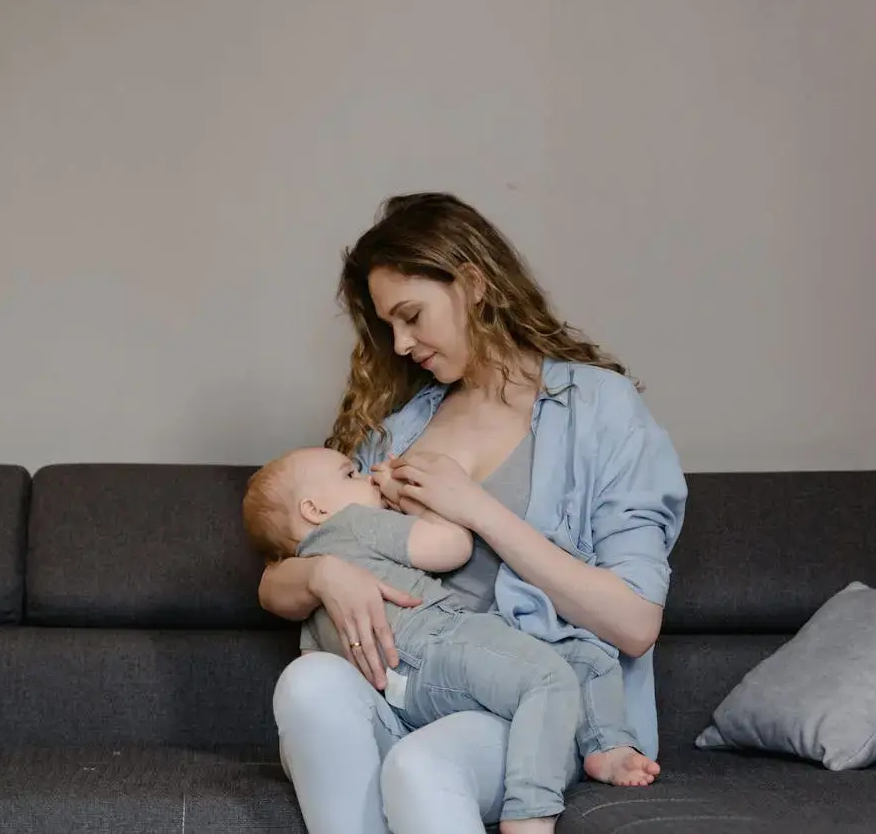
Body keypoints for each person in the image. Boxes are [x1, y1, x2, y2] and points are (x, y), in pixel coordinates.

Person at [258, 192, 687, 834]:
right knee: (308, 683)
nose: (401, 344)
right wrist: (322, 574)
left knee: (422, 766)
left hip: (530, 701)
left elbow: (635, 623)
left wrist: (478, 509)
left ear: (474, 283)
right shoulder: (401, 430)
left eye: (412, 316)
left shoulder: (599, 409)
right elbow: (277, 576)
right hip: (405, 688)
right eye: (389, 326)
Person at [243, 446, 656, 832]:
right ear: (315, 509)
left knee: (582, 656)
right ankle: (532, 810)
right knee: (554, 676)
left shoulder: (316, 591)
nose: (367, 476)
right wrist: (425, 507)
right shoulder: (355, 520)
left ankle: (604, 745)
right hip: (438, 642)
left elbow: (316, 665)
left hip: (395, 688)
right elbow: (451, 546)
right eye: (351, 474)